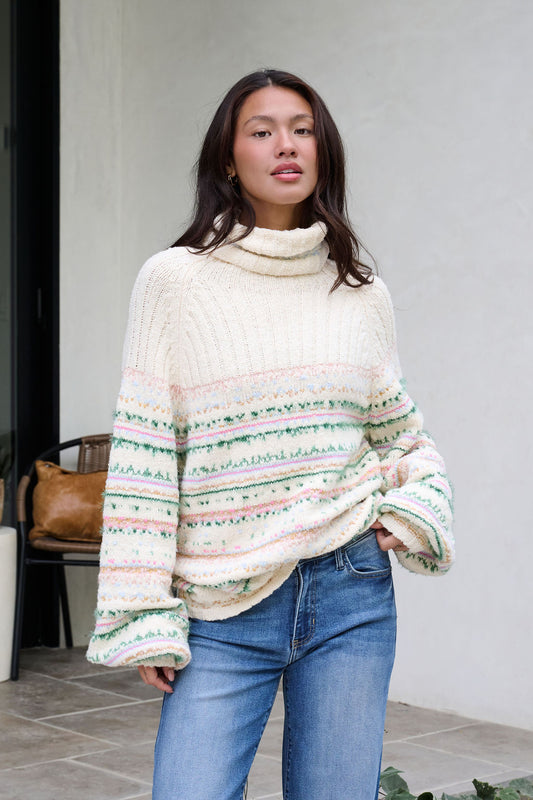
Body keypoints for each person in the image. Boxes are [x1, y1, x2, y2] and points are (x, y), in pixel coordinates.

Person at [87, 68, 454, 800]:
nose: (285, 144)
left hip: (349, 590)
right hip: (221, 604)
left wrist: (417, 506)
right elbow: (146, 456)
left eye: (302, 128)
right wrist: (142, 612)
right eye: (261, 131)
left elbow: (402, 436)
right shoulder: (175, 281)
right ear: (228, 158)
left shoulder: (358, 292)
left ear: (323, 150)